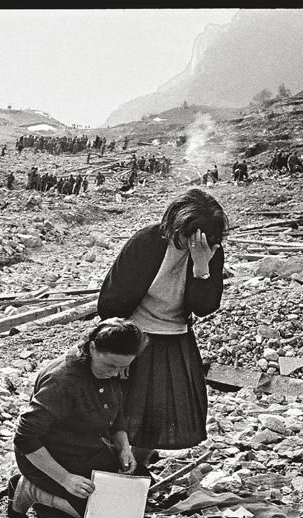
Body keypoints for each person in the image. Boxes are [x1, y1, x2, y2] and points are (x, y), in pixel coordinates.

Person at [97, 188, 227, 476]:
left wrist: (201, 267)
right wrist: (117, 350)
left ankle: (133, 471)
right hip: (133, 334)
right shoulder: (147, 242)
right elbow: (110, 301)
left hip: (174, 338)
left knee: (157, 417)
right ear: (176, 228)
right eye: (188, 238)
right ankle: (106, 469)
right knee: (119, 412)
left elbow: (204, 307)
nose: (193, 244)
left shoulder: (210, 252)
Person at [8, 318, 149, 518]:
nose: (116, 373)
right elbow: (25, 438)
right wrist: (65, 479)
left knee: (136, 497)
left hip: (84, 451)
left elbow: (116, 413)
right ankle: (29, 487)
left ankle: (56, 502)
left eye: (123, 367)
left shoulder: (107, 369)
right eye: (110, 365)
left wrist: (123, 447)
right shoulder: (62, 381)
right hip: (48, 458)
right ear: (92, 348)